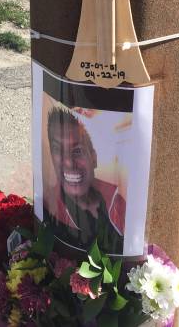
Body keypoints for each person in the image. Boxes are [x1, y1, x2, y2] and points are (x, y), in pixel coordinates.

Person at [43, 107, 126, 254]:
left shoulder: (119, 203)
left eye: (78, 151)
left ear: (93, 158)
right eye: (58, 150)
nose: (69, 162)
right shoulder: (48, 208)